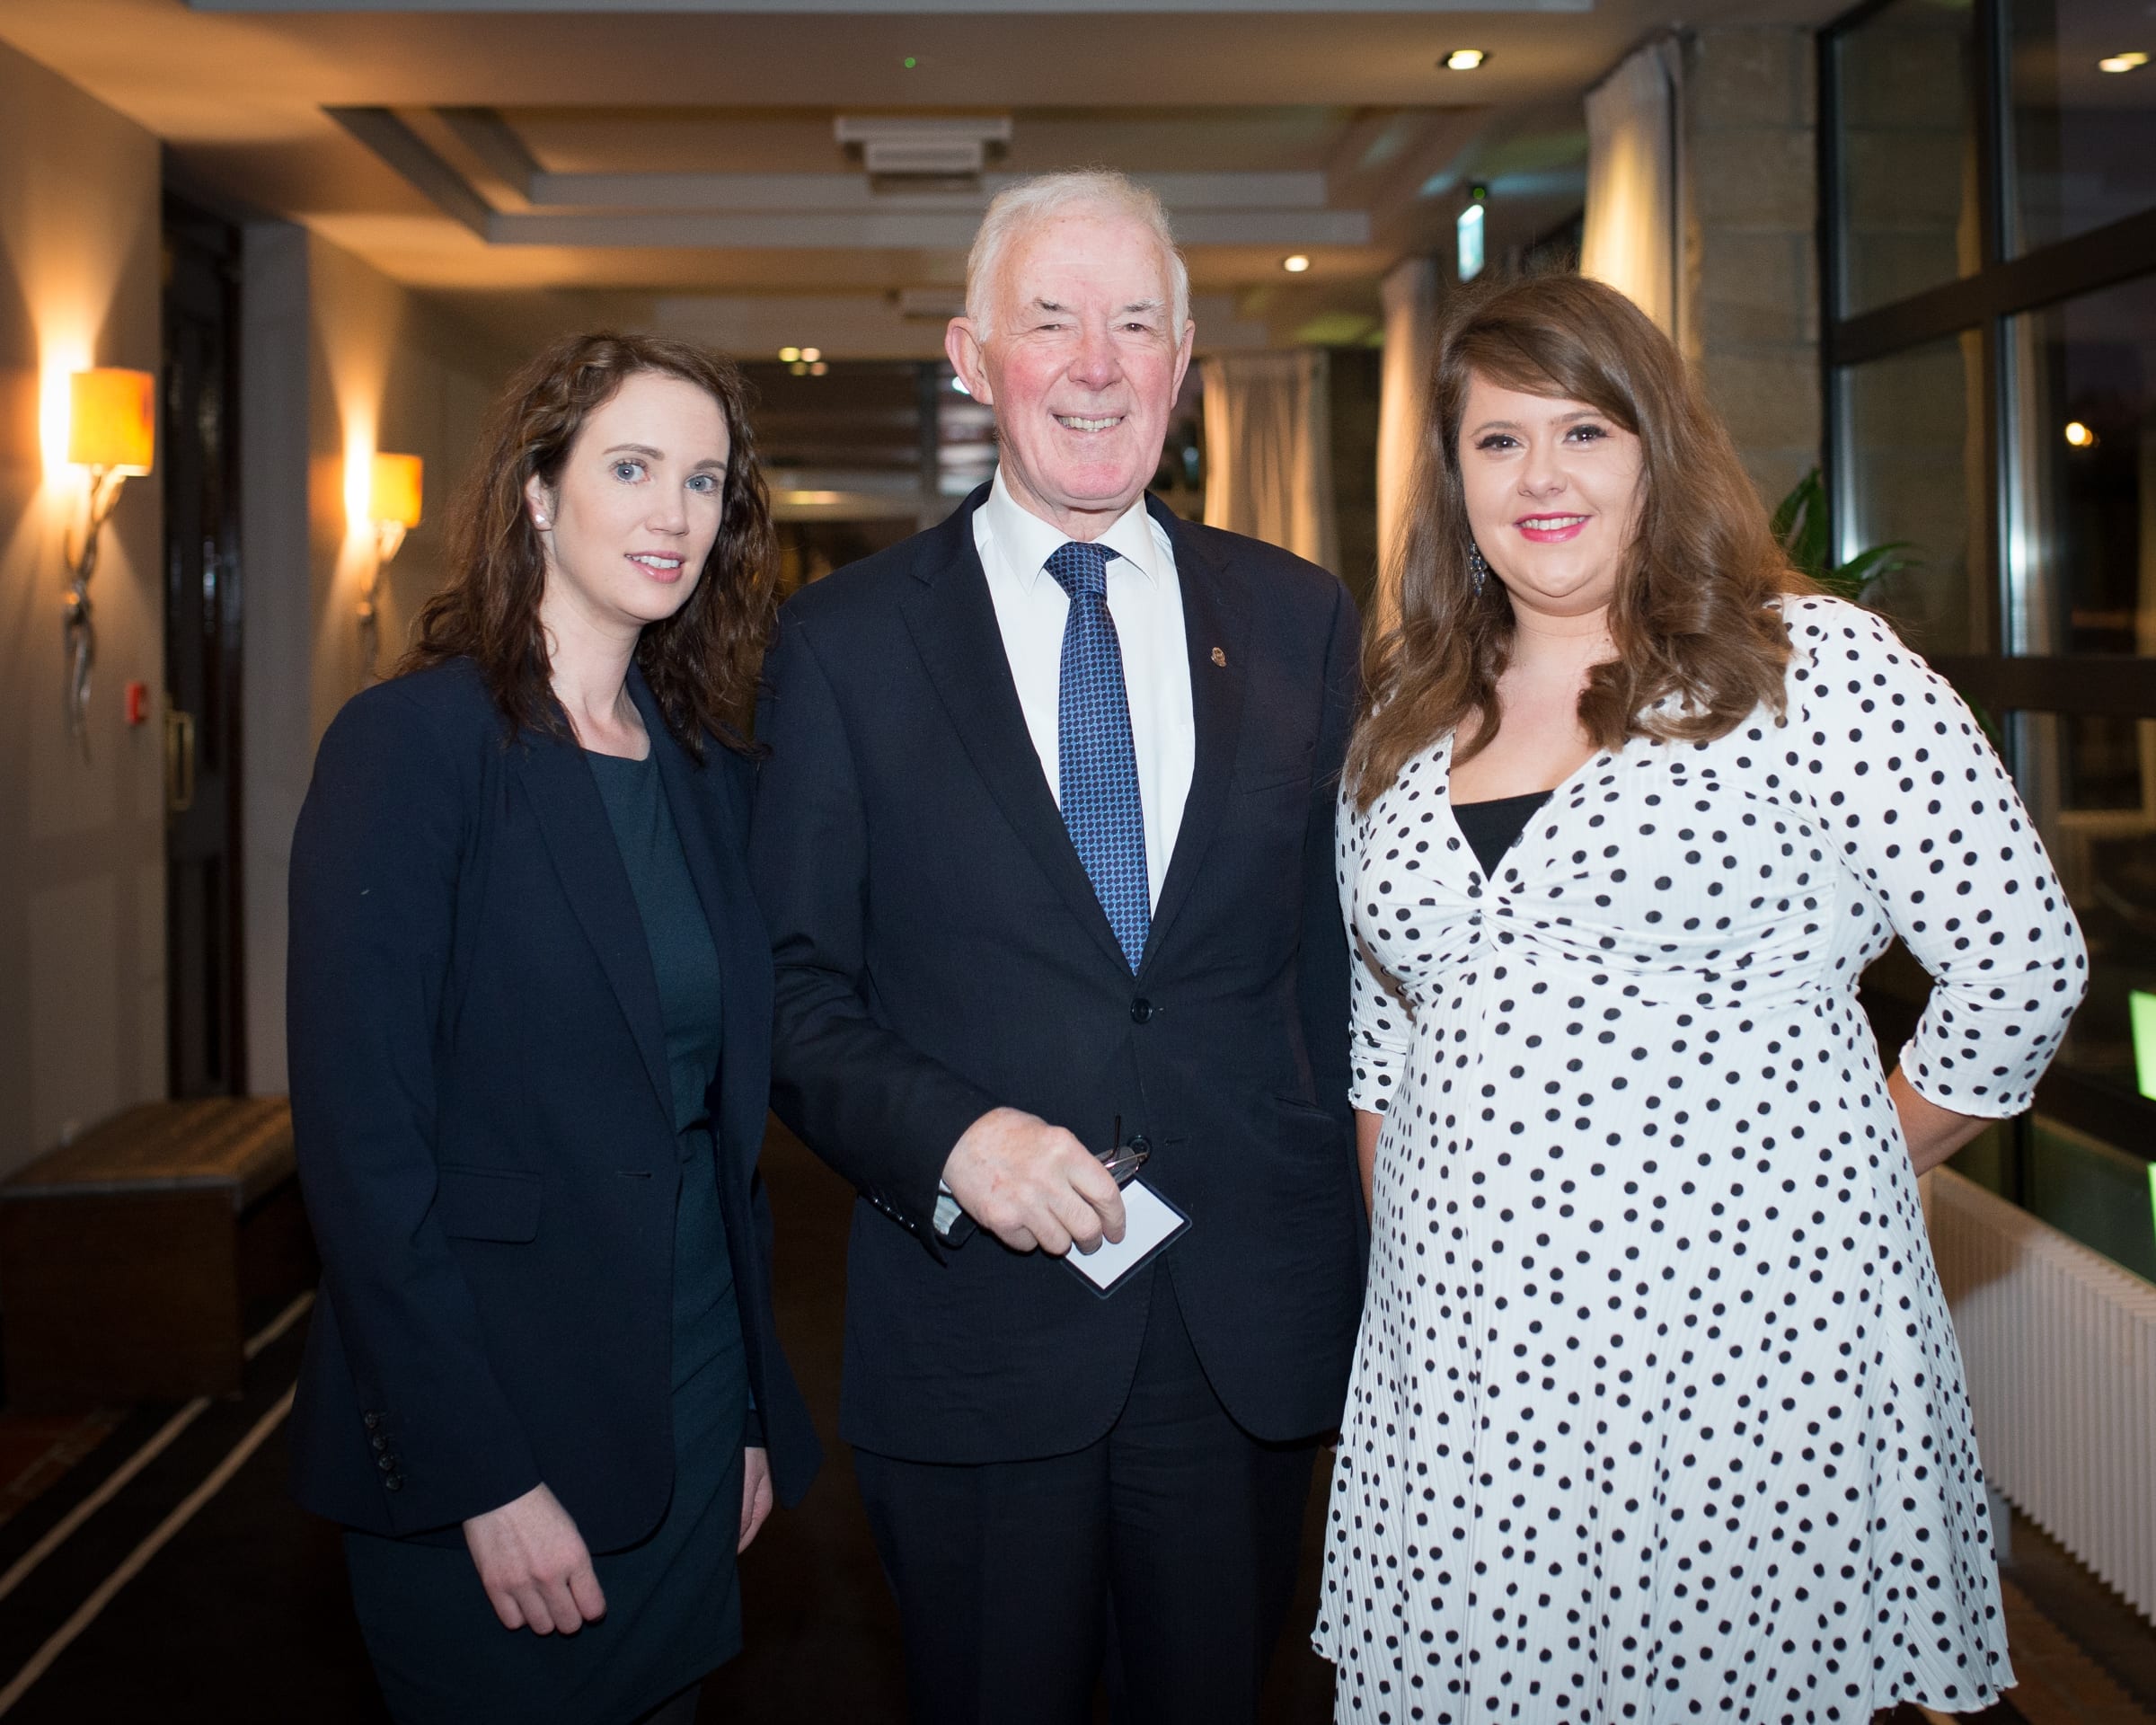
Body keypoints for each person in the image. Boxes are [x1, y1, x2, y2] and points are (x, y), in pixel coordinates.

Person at [1318, 271, 2088, 1723]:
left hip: (1750, 1343)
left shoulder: (1811, 670)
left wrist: (1832, 1168)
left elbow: (2020, 963)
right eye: (1498, 442)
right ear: (1454, 478)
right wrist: (1421, 1277)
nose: (1541, 476)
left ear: (1656, 450)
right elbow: (1384, 1037)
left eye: (1585, 432)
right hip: (1475, 1364)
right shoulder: (1405, 719)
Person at [750, 169, 1365, 1723]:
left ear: (1181, 361)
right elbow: (789, 986)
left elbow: (1336, 970)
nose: (1097, 363)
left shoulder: (1299, 619)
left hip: (1240, 1329)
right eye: (1051, 321)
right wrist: (955, 1140)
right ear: (973, 357)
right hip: (979, 1332)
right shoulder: (844, 644)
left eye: (1136, 323)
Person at [286, 332, 819, 1725]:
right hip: (496, 1430)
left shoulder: (706, 772)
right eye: (631, 468)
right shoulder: (411, 749)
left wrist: (753, 1405)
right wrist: (483, 1478)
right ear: (537, 491)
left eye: (704, 482)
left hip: (693, 1406)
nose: (672, 515)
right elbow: (362, 1158)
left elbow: (710, 1126)